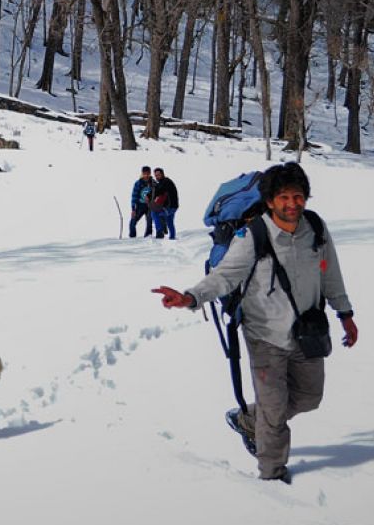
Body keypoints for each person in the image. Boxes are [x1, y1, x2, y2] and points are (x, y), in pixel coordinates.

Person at [151, 162, 358, 484]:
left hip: (307, 332)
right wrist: (190, 297)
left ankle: (248, 419)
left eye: (298, 196)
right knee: (274, 413)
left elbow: (330, 273)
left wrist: (345, 314)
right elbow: (226, 276)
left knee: (309, 397)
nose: (292, 204)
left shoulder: (315, 228)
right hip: (264, 336)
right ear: (270, 201)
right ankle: (272, 477)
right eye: (284, 197)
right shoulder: (253, 234)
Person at [149, 168, 178, 240]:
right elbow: (158, 191)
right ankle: (172, 237)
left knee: (155, 213)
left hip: (170, 207)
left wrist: (153, 187)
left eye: (158, 175)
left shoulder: (166, 182)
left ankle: (160, 232)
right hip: (172, 207)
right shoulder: (163, 182)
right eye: (156, 175)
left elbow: (159, 191)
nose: (157, 177)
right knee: (169, 221)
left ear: (162, 174)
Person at [128, 166, 154, 238]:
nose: (146, 175)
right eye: (144, 173)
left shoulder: (153, 183)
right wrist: (133, 209)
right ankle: (132, 237)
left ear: (150, 173)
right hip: (140, 206)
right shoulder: (138, 183)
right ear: (142, 173)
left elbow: (157, 194)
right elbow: (134, 196)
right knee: (132, 222)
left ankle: (148, 237)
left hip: (150, 206)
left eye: (148, 173)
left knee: (149, 222)